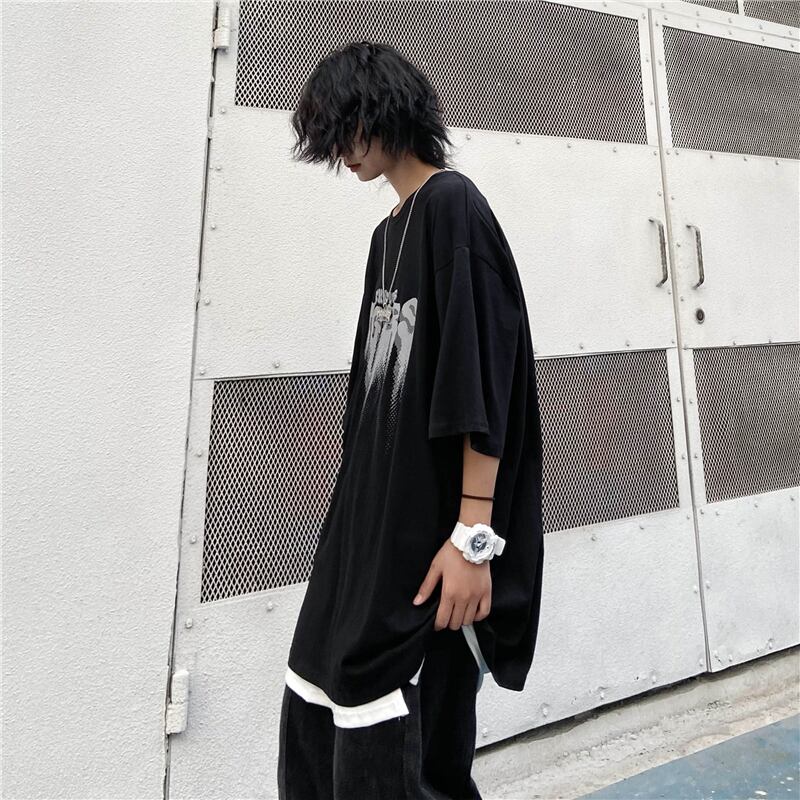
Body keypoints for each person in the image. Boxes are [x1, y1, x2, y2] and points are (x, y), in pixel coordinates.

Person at [277, 40, 545, 800]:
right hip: (368, 540)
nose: (342, 152)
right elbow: (371, 406)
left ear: (386, 113)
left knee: (410, 758)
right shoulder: (386, 235)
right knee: (318, 709)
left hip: (433, 548)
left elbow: (481, 381)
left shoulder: (453, 208)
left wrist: (473, 538)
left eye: (347, 129)